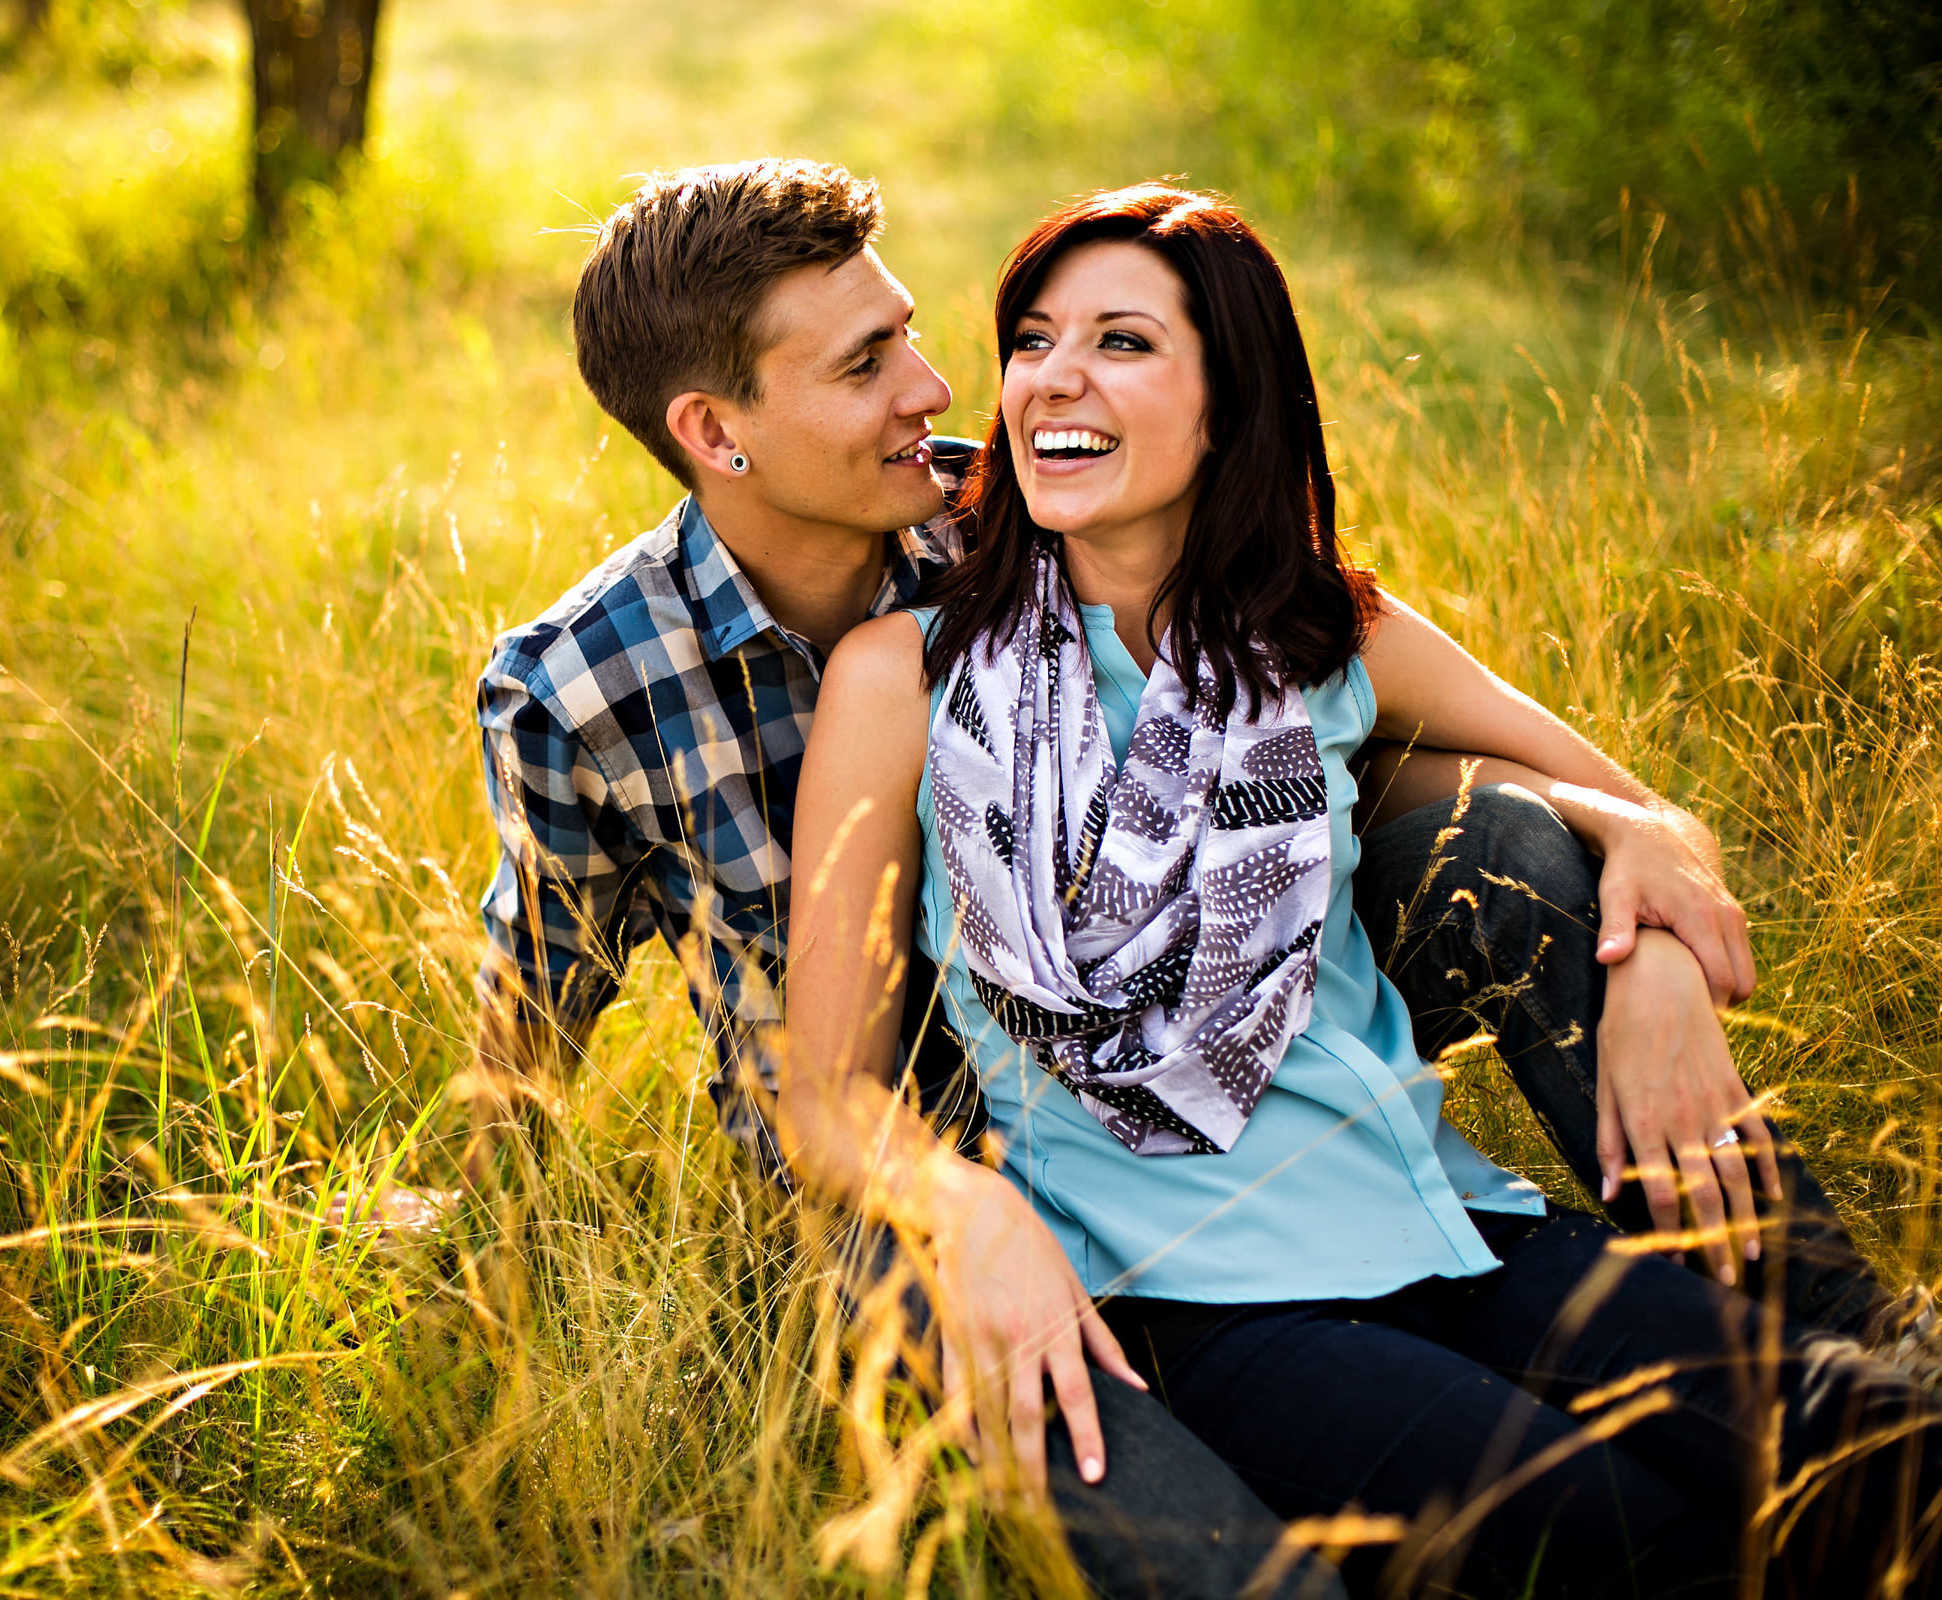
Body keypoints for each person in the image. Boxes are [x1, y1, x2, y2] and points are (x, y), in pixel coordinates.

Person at [473, 161, 1916, 1597]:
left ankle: (1834, 1308)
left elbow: (1381, 754)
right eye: (881, 361)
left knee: (1867, 1450)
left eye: (930, 334)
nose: (948, 389)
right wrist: (480, 1256)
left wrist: (1642, 881)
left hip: (1376, 1167)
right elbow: (562, 1013)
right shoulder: (621, 689)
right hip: (993, 1206)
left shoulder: (1060, 519)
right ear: (715, 433)